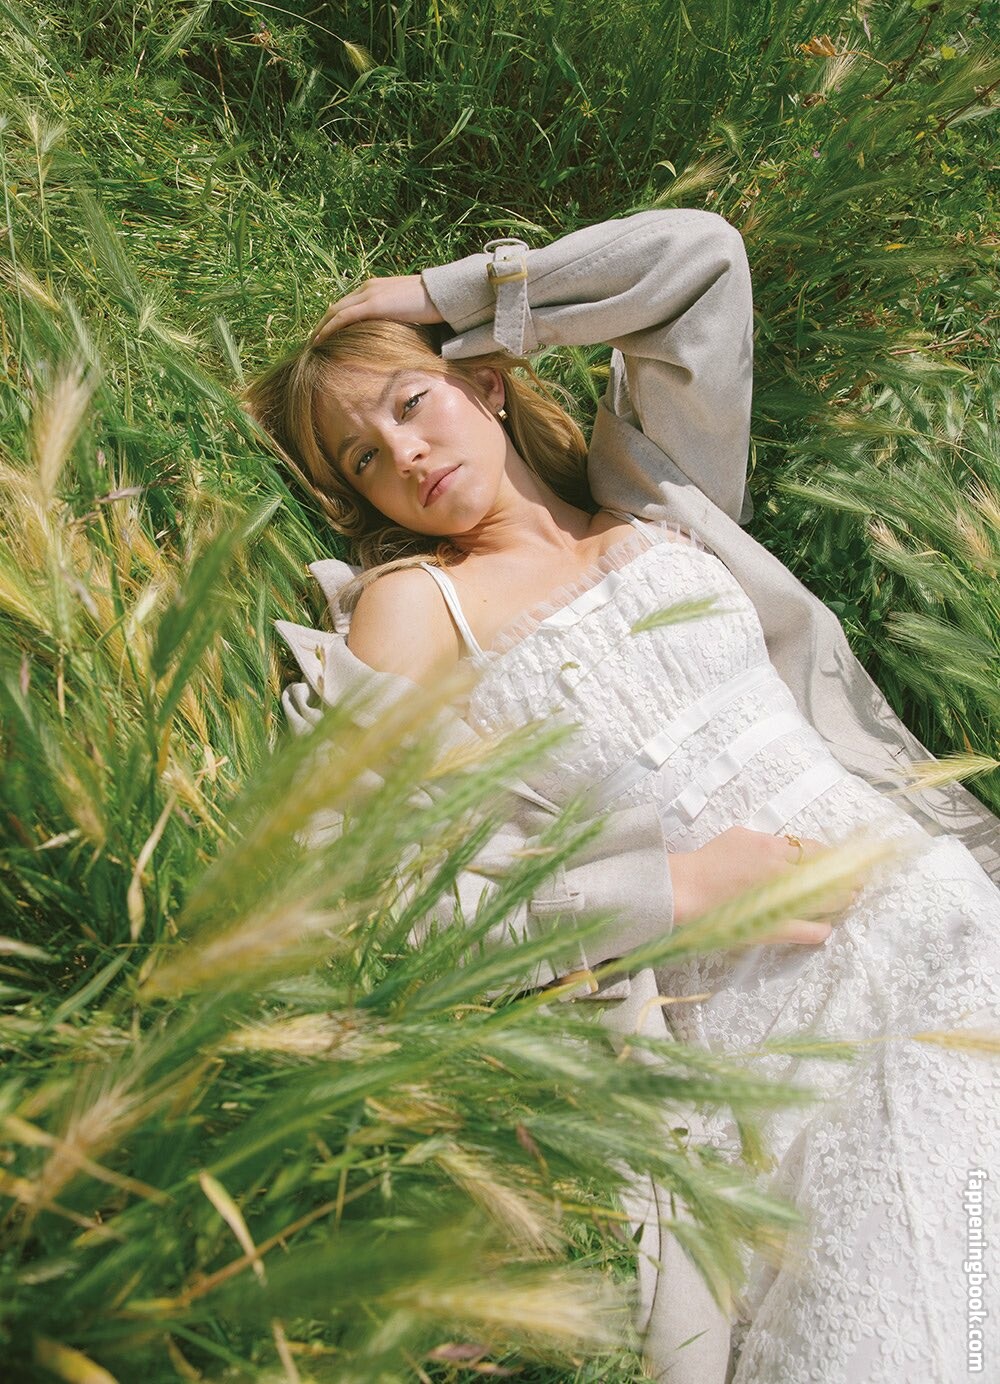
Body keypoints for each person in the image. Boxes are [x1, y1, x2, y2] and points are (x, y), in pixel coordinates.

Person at [247, 210, 1000, 1383]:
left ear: (486, 384)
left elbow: (699, 263)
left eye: (411, 403)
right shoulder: (416, 607)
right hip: (765, 1010)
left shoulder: (654, 495)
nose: (403, 456)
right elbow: (372, 893)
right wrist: (675, 891)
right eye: (361, 459)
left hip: (938, 915)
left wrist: (439, 296)